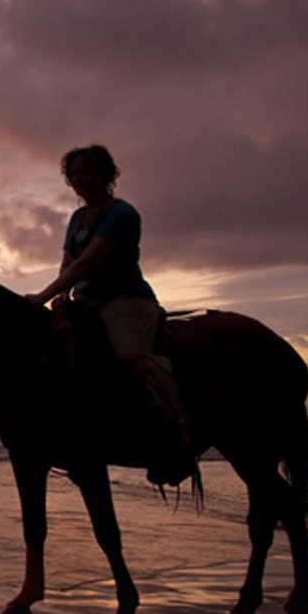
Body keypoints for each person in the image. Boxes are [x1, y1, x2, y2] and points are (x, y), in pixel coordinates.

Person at [23, 144, 195, 486]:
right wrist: (59, 296)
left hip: (124, 300)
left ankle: (175, 429)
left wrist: (43, 295)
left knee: (131, 354)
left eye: (87, 171)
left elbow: (89, 261)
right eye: (73, 174)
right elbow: (69, 262)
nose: (79, 179)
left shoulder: (122, 214)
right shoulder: (76, 218)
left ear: (107, 174)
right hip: (86, 302)